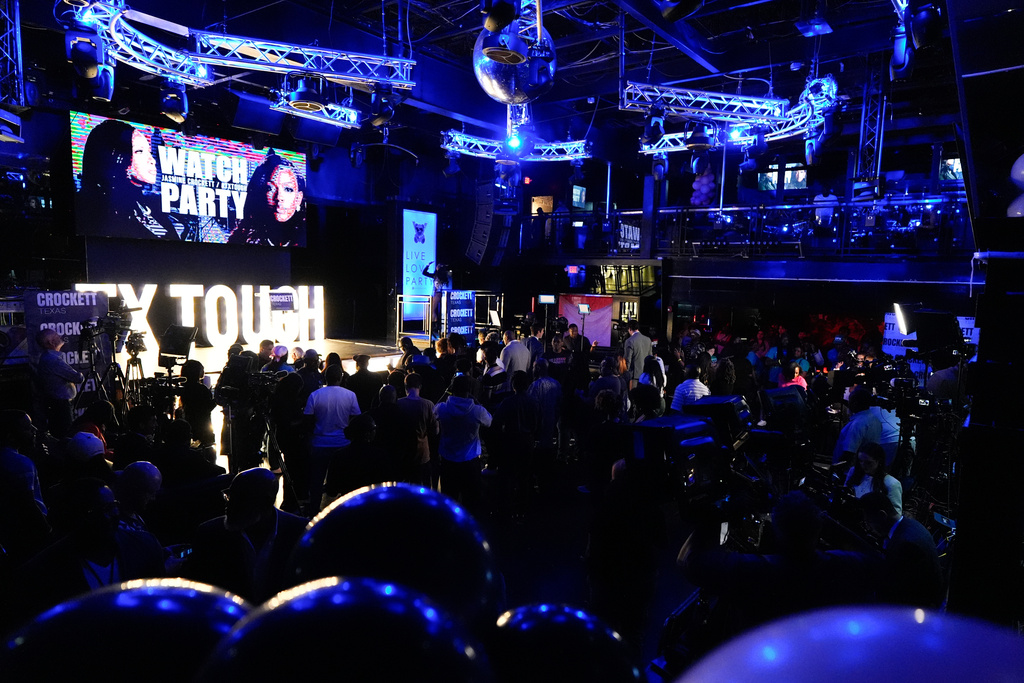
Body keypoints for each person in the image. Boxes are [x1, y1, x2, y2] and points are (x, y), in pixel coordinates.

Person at [185, 468, 307, 602]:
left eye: (240, 499)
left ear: (266, 502)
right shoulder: (209, 534)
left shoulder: (299, 532)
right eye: (229, 496)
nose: (229, 504)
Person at [76, 118, 180, 240]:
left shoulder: (147, 206)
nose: (151, 160)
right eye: (139, 151)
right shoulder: (90, 208)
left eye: (149, 151)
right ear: (115, 157)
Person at [861, 491, 943, 608]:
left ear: (882, 515)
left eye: (869, 522)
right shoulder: (911, 525)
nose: (869, 527)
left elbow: (897, 593)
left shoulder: (905, 544)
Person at [304, 364, 361, 511]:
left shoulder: (315, 395)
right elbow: (356, 418)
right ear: (341, 377)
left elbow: (308, 422)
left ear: (325, 377)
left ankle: (314, 511)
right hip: (343, 443)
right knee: (345, 480)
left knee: (316, 480)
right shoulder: (350, 395)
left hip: (320, 443)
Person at [434, 374, 492, 510]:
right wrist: (476, 400)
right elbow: (489, 421)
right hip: (470, 461)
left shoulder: (442, 408)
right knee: (471, 502)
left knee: (448, 501)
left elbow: (433, 412)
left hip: (448, 461)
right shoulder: (477, 411)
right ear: (469, 390)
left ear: (452, 389)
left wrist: (446, 393)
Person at [228, 151, 305, 246]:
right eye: (270, 189)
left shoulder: (305, 239)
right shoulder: (240, 241)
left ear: (298, 198)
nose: (279, 197)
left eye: (288, 189)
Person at [35, 328, 84, 438]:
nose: (60, 337)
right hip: (60, 405)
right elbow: (77, 378)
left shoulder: (48, 358)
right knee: (65, 434)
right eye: (56, 336)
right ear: (51, 342)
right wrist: (80, 374)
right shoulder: (53, 360)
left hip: (55, 403)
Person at [844, 442, 903, 515]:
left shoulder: (891, 483)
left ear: (879, 461)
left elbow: (896, 513)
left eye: (868, 463)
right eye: (860, 461)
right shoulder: (854, 471)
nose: (863, 465)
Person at [622, 320, 652, 390]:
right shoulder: (648, 340)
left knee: (633, 397)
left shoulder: (629, 341)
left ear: (629, 329)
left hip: (634, 376)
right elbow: (650, 358)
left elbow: (627, 361)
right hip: (645, 376)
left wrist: (624, 374)